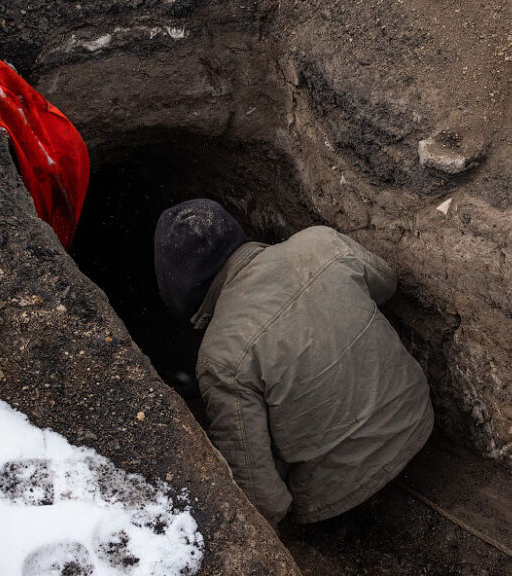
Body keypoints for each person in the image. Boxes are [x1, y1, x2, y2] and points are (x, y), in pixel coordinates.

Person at [154, 198, 433, 525]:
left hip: (338, 496)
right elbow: (385, 283)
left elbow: (262, 497)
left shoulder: (220, 353)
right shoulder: (319, 242)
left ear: (176, 289)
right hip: (416, 416)